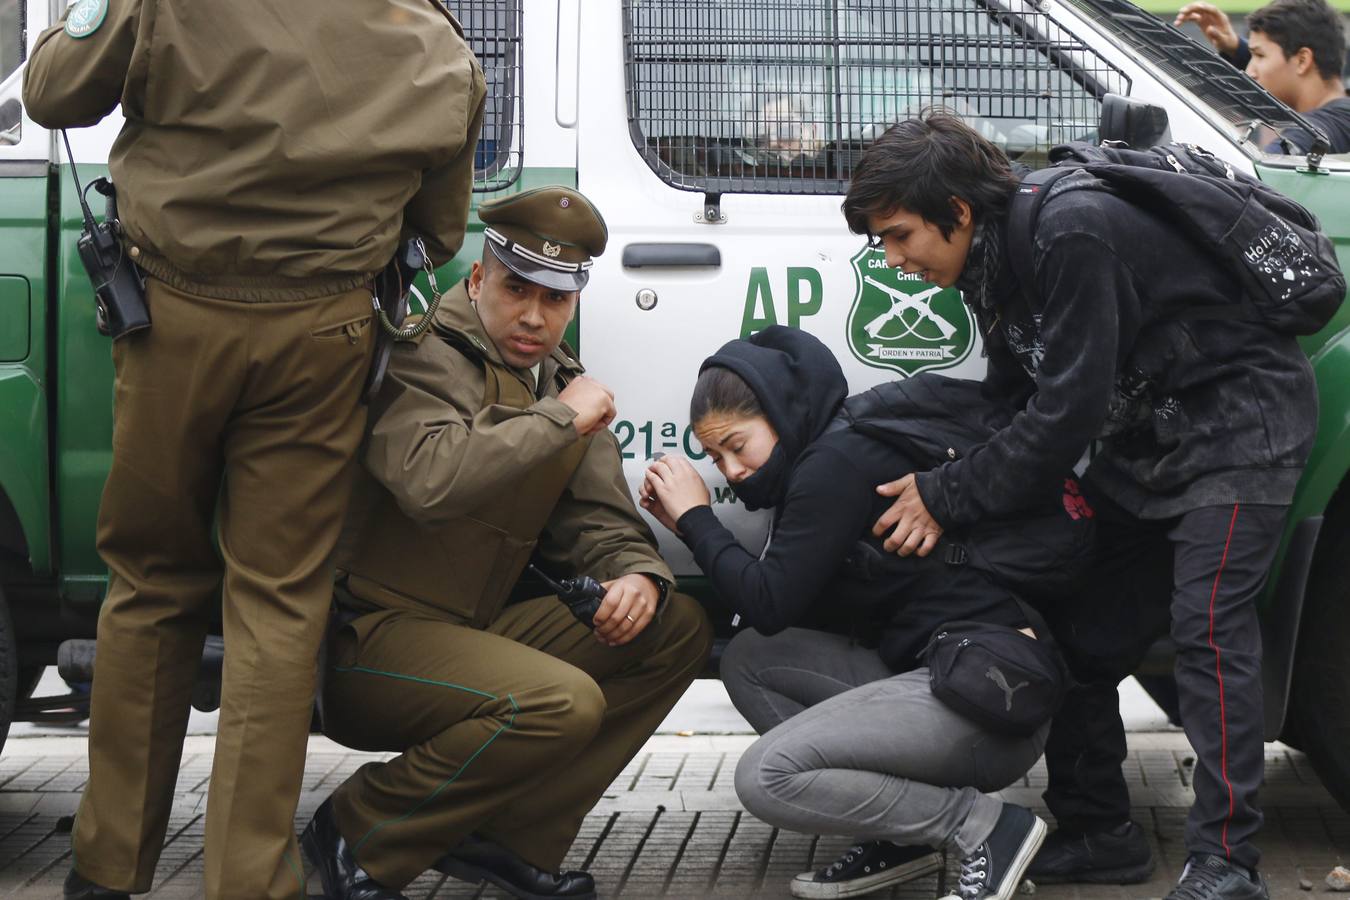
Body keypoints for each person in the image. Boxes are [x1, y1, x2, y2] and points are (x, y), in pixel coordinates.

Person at [21, 1, 484, 897]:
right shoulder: (436, 40)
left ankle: (110, 866)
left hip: (174, 323)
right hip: (325, 334)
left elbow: (51, 92)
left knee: (152, 584)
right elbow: (439, 229)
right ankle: (246, 878)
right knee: (278, 605)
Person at [847, 111, 1321, 900]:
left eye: (899, 236)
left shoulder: (1071, 231)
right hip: (1151, 443)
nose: (894, 261)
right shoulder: (990, 266)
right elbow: (1011, 397)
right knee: (1071, 622)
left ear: (958, 213)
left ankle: (1228, 864)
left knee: (1208, 627)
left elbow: (1064, 414)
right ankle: (1101, 831)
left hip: (1241, 425)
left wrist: (946, 495)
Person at [302, 186, 713, 900]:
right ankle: (356, 831)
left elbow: (602, 522)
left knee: (674, 626)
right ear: (477, 278)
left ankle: (501, 834)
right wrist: (559, 421)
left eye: (554, 300)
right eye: (517, 289)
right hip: (369, 642)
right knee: (559, 703)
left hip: (473, 631)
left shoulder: (557, 380)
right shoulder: (426, 350)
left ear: (574, 302)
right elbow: (429, 480)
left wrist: (637, 577)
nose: (532, 316)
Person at [641, 326, 1051, 900]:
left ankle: (984, 827)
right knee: (752, 660)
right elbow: (773, 621)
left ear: (782, 414)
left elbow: (768, 599)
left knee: (767, 777)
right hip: (937, 678)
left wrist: (694, 518)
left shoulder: (833, 464)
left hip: (986, 697)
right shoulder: (828, 453)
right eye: (714, 456)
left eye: (737, 444)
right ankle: (903, 828)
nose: (731, 470)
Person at [1175, 0, 1350, 153]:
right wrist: (1236, 48)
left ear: (1302, 60)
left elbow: (1263, 171)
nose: (1249, 72)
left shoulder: (1320, 130)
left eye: (1259, 56)